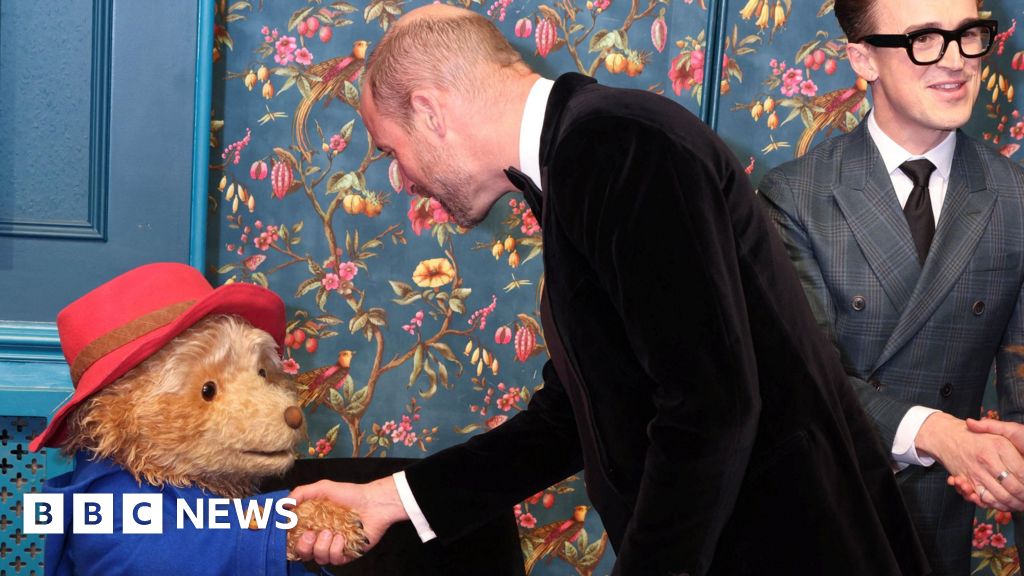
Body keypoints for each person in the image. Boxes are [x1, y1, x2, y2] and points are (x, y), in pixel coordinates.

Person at [290, 5, 930, 575]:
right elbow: (575, 413)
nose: (401, 181)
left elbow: (710, 408)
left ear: (429, 111)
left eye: (391, 151)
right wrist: (389, 499)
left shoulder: (616, 147)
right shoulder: (587, 153)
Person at [758, 0, 1024, 573]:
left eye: (968, 35)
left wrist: (1009, 462)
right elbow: (804, 378)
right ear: (863, 58)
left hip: (945, 518)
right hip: (826, 512)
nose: (956, 61)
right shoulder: (793, 196)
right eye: (924, 39)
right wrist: (938, 433)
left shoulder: (1017, 199)